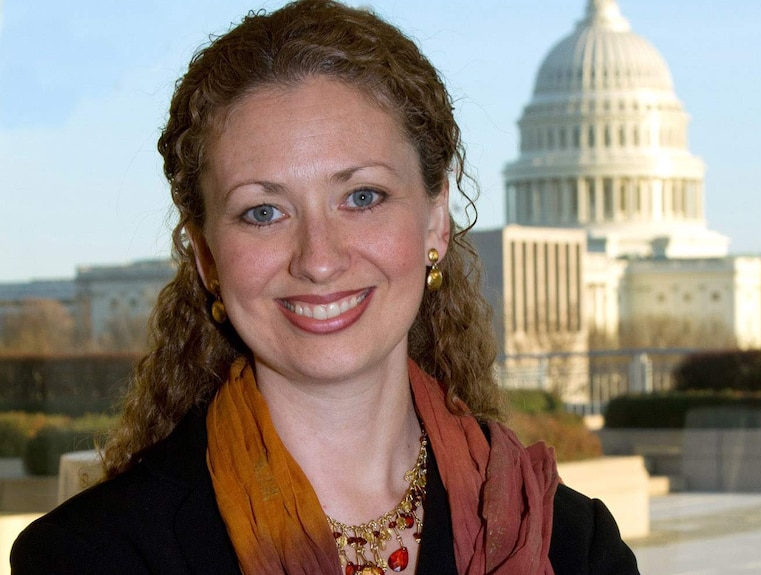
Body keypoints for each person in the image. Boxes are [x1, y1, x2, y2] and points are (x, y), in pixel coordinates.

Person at [11, 1, 640, 573]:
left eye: (361, 197)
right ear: (207, 257)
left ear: (436, 220)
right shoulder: (91, 557)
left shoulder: (570, 543)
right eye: (263, 211)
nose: (318, 259)